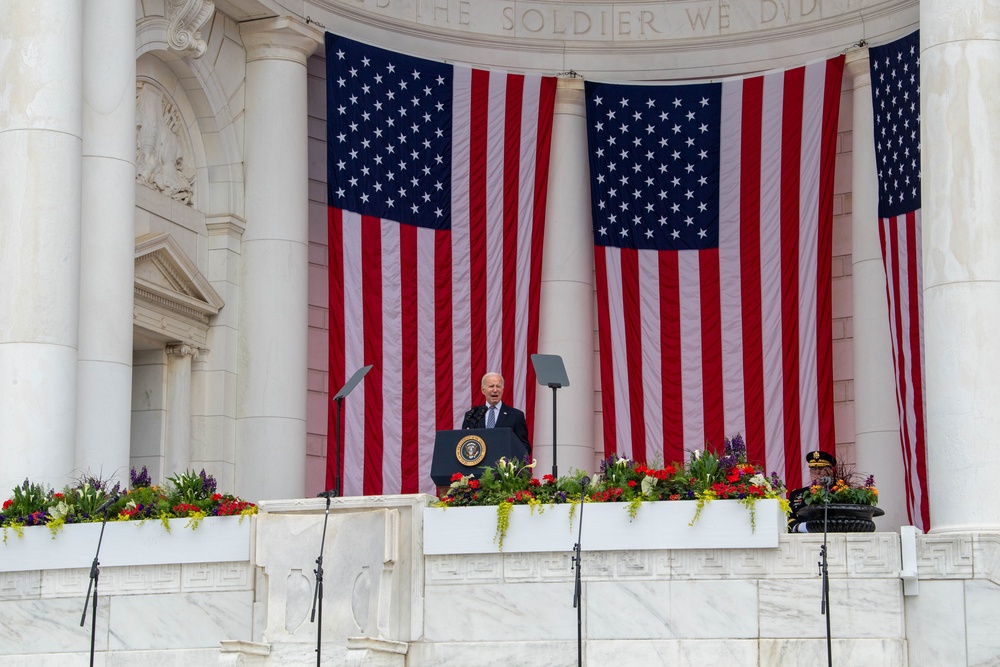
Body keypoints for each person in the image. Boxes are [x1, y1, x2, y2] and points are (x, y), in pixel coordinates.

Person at [461, 372, 531, 453]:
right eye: (491, 386)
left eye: (498, 386)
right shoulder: (472, 415)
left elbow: (525, 447)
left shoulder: (516, 416)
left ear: (502, 390)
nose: (495, 390)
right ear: (483, 390)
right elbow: (463, 443)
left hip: (503, 463)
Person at [787, 450, 837, 533]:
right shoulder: (796, 494)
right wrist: (798, 527)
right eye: (814, 469)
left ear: (830, 471)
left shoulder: (838, 493)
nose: (817, 472)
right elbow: (789, 517)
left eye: (821, 468)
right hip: (801, 538)